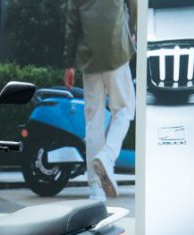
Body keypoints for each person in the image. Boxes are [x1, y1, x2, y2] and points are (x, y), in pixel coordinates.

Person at [63, 0, 137, 201]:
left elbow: (72, 24)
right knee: (124, 109)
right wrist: (132, 31)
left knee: (93, 123)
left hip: (89, 59)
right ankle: (107, 157)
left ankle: (96, 189)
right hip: (116, 51)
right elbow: (135, 5)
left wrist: (69, 64)